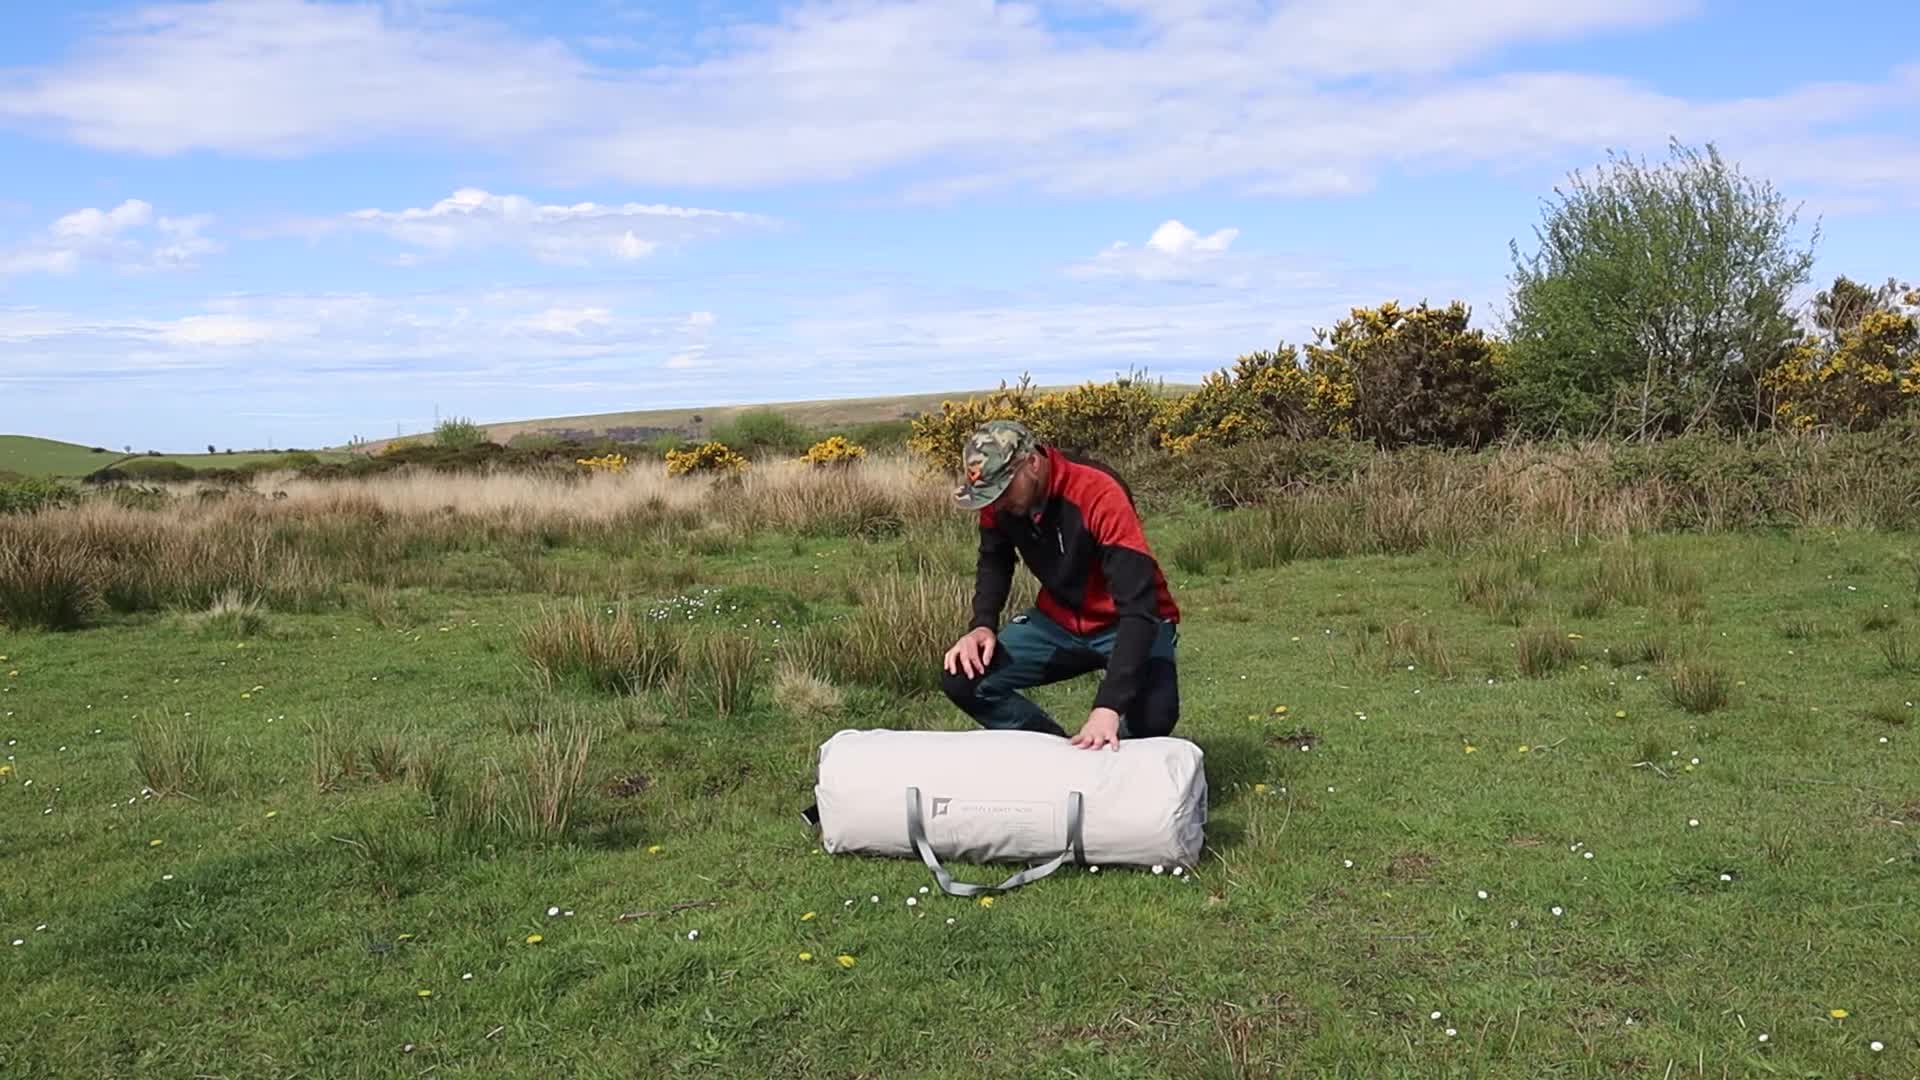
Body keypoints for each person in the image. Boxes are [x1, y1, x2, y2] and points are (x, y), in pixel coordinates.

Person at [941, 419, 1182, 751]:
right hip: (1058, 623)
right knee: (964, 678)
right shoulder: (999, 501)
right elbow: (994, 560)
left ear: (1033, 464)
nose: (995, 505)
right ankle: (1056, 754)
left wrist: (1107, 707)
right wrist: (982, 625)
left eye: (1003, 491)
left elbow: (1139, 607)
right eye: (988, 496)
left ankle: (1109, 762)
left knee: (1155, 716)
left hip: (1131, 620)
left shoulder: (1098, 491)